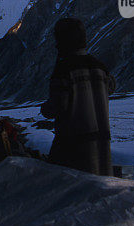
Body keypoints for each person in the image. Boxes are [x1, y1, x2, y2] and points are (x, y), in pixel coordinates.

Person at [40, 18, 115, 175]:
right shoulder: (99, 67)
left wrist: (45, 108)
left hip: (73, 147)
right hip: (102, 145)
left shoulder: (63, 70)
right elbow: (112, 87)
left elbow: (59, 106)